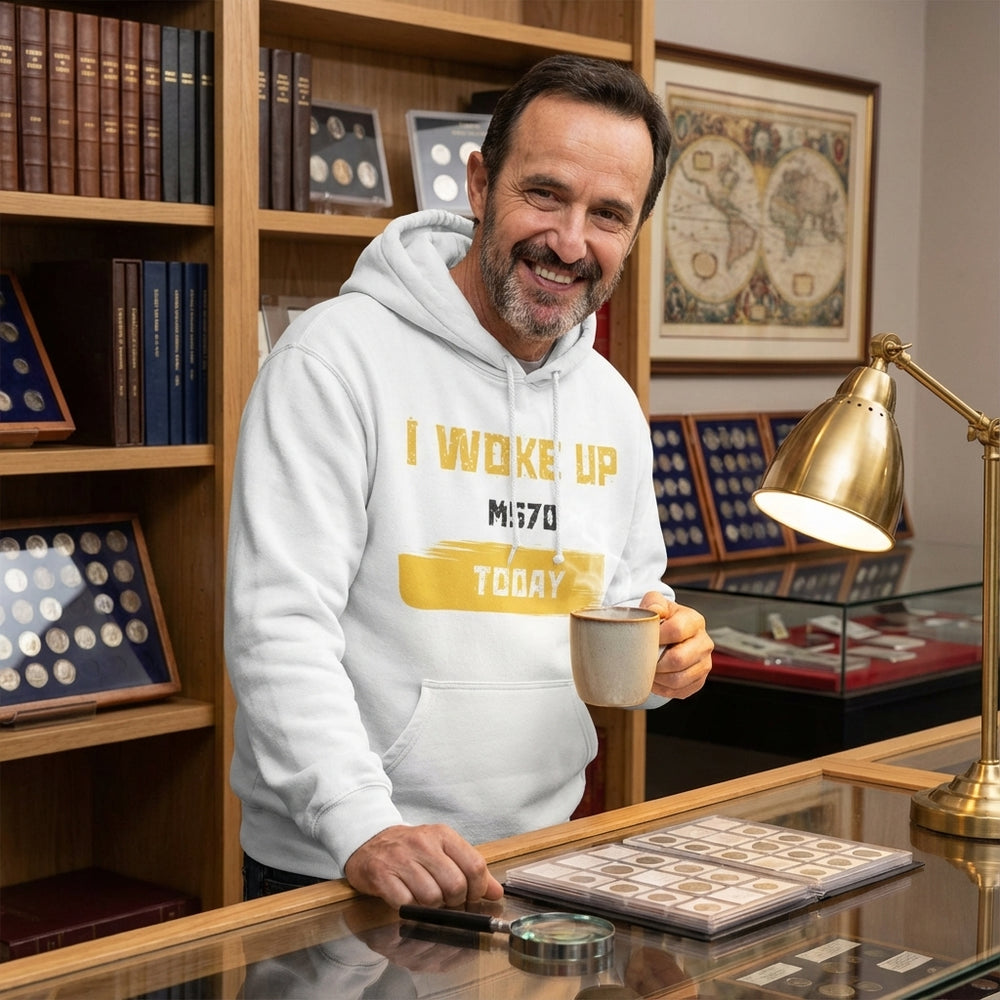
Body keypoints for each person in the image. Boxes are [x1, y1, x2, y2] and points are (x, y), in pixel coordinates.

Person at [225, 53, 714, 910]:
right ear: (481, 184)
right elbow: (278, 631)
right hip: (343, 867)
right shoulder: (331, 361)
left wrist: (668, 657)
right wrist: (361, 826)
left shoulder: (609, 402)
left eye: (608, 214)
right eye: (546, 195)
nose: (570, 242)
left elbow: (629, 613)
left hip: (545, 858)